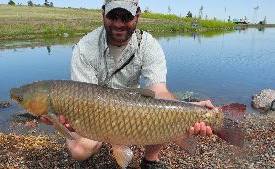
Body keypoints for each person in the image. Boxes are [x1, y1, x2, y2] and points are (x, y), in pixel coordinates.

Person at [41, 0, 214, 168]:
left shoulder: (149, 45)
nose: (118, 23)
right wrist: (59, 116)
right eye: (112, 16)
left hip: (135, 106)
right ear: (103, 14)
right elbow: (80, 98)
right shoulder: (85, 47)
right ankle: (103, 146)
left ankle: (150, 160)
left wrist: (189, 109)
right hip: (98, 111)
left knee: (159, 114)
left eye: (126, 17)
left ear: (137, 15)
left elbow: (159, 91)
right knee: (79, 150)